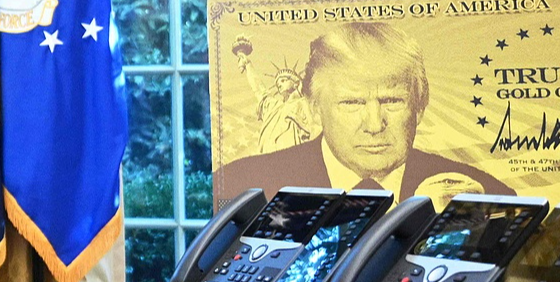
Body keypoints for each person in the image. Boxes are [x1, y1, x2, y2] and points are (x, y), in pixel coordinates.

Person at [215, 22, 512, 205]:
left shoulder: (487, 196)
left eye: (392, 101)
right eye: (352, 103)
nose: (374, 125)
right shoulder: (242, 184)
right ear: (313, 108)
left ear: (420, 105)